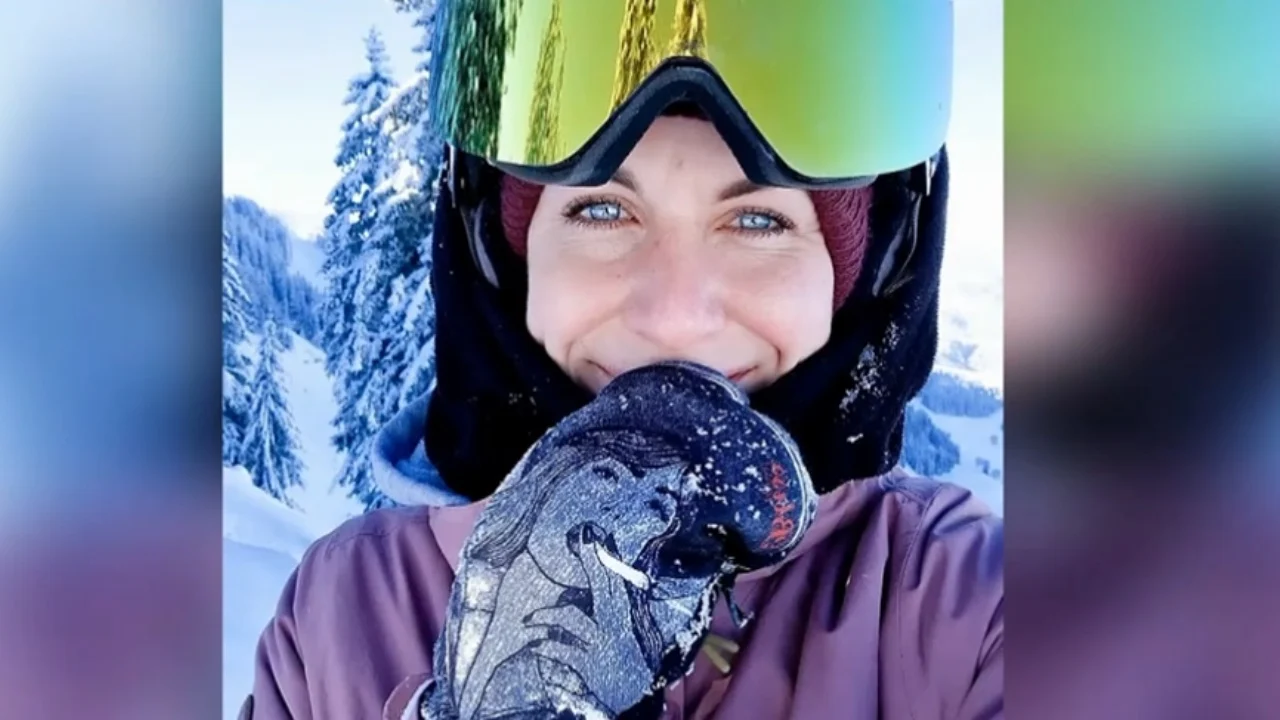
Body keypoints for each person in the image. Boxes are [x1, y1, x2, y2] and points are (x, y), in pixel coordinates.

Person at [243, 1, 1002, 718]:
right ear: (505, 259)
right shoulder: (338, 624)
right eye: (601, 209)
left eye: (759, 221)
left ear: (868, 273)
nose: (674, 316)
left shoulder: (967, 610)